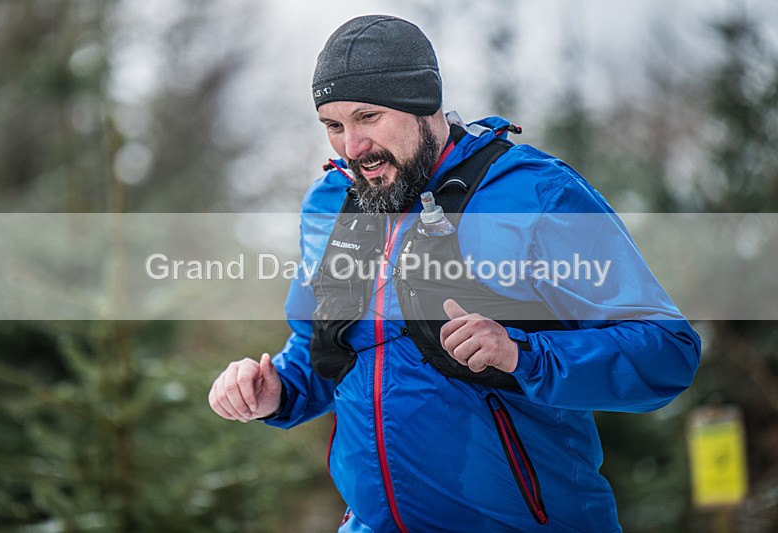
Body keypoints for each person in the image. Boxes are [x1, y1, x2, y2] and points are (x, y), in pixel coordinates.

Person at [208, 14, 701, 532]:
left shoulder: (533, 194)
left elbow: (667, 352)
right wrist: (277, 391)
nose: (351, 147)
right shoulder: (330, 204)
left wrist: (522, 354)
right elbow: (327, 350)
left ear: (424, 103)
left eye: (368, 117)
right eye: (333, 126)